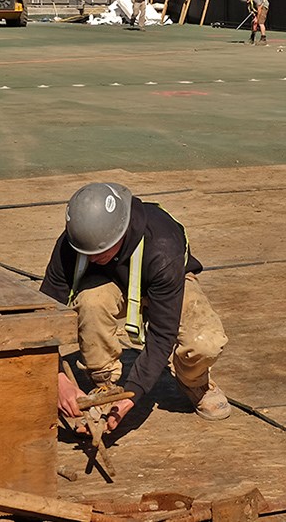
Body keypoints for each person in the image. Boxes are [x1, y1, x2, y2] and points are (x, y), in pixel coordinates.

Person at [41, 182, 230, 434]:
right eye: (86, 253)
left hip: (169, 284)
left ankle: (195, 381)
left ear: (122, 232)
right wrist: (56, 378)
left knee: (205, 342)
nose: (92, 258)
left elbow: (163, 334)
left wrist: (133, 394)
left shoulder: (163, 248)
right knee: (91, 301)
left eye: (100, 251)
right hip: (113, 285)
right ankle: (104, 384)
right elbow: (41, 316)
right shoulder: (76, 243)